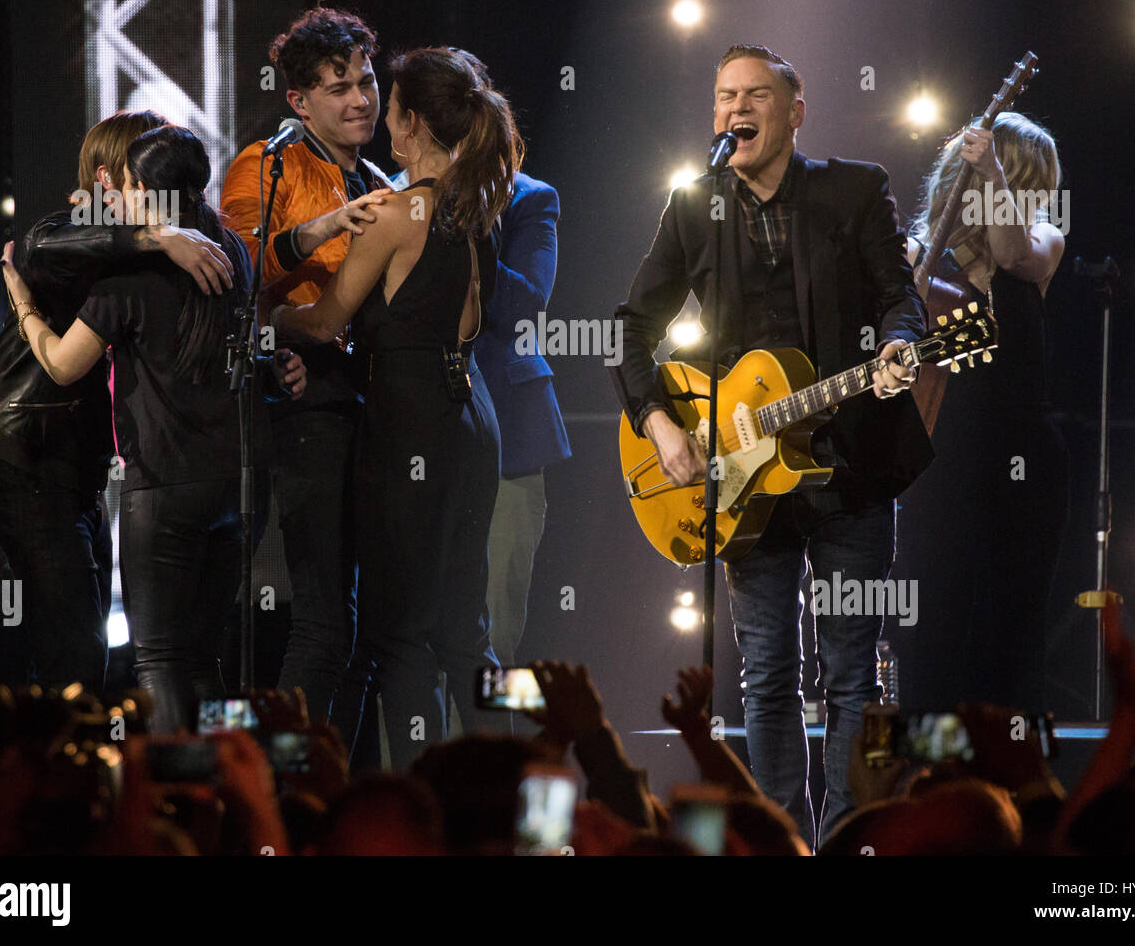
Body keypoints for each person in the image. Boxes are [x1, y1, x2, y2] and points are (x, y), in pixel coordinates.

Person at [610, 44, 933, 846]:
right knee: (764, 673)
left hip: (850, 462)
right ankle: (781, 837)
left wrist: (899, 348)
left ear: (796, 110)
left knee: (854, 669)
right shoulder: (696, 205)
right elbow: (630, 329)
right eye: (723, 97)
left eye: (755, 94)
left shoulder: (855, 190)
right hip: (743, 475)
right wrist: (658, 421)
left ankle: (855, 835)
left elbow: (902, 298)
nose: (735, 110)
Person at [0, 125, 302, 731]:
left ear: (145, 192)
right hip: (241, 483)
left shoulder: (126, 281)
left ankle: (174, 797)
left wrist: (24, 305)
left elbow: (62, 365)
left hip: (165, 485)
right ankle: (221, 784)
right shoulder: (233, 253)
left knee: (159, 657)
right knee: (203, 657)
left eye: (128, 190)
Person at [272, 46, 517, 769]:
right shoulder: (483, 206)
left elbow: (325, 320)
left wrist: (269, 320)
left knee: (400, 633)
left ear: (409, 121)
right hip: (474, 417)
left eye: (390, 105)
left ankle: (420, 814)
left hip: (412, 421)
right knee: (466, 632)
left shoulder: (404, 208)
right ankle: (499, 799)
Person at [0, 109, 242, 696]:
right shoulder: (75, 238)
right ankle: (65, 778)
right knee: (80, 648)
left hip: (86, 465)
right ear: (108, 178)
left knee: (101, 645)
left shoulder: (164, 258)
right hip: (26, 453)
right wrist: (159, 234)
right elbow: (38, 246)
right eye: (139, 170)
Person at [221, 6, 393, 748]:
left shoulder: (383, 176)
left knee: (362, 630)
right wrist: (321, 229)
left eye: (366, 81)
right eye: (337, 88)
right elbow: (238, 269)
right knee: (324, 621)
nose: (361, 99)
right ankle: (287, 797)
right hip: (304, 402)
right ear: (299, 101)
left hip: (372, 407)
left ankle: (331, 798)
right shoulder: (269, 163)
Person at [392, 49, 571, 670]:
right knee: (404, 635)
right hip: (410, 434)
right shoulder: (397, 198)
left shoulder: (527, 198)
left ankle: (493, 761)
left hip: (507, 442)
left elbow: (526, 304)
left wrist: (473, 221)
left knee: (493, 635)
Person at [893, 112, 1068, 712]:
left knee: (1012, 627)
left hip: (1025, 458)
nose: (1044, 198)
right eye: (1037, 183)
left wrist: (989, 171)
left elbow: (1012, 252)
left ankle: (1010, 778)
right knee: (935, 626)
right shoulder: (918, 255)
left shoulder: (1042, 242)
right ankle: (934, 774)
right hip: (941, 457)